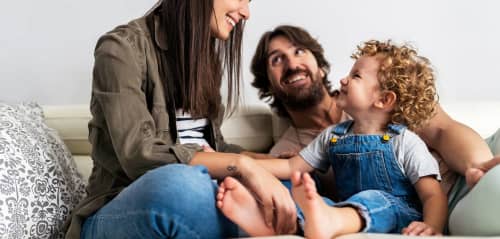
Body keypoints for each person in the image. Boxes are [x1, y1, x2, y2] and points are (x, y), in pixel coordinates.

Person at [64, 1, 299, 238]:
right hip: (120, 208)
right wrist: (244, 166)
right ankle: (250, 223)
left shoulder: (206, 60)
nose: (246, 13)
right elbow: (139, 155)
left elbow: (216, 148)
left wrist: (271, 163)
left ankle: (282, 222)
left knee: (293, 185)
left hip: (205, 195)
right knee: (182, 186)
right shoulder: (120, 49)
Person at [249, 25, 500, 236]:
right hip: (386, 215)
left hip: (468, 175)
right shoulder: (305, 144)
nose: (292, 63)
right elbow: (291, 168)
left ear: (320, 65)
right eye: (276, 60)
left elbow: (443, 130)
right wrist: (243, 161)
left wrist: (479, 168)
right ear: (268, 83)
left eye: (299, 51)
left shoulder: (389, 103)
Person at [217, 40, 448, 238]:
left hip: (397, 214)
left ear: (384, 100)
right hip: (341, 213)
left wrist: (431, 227)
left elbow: (432, 194)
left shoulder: (405, 141)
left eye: (355, 76)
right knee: (316, 203)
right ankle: (270, 221)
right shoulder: (334, 136)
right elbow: (290, 166)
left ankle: (326, 220)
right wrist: (240, 164)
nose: (344, 80)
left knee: (375, 199)